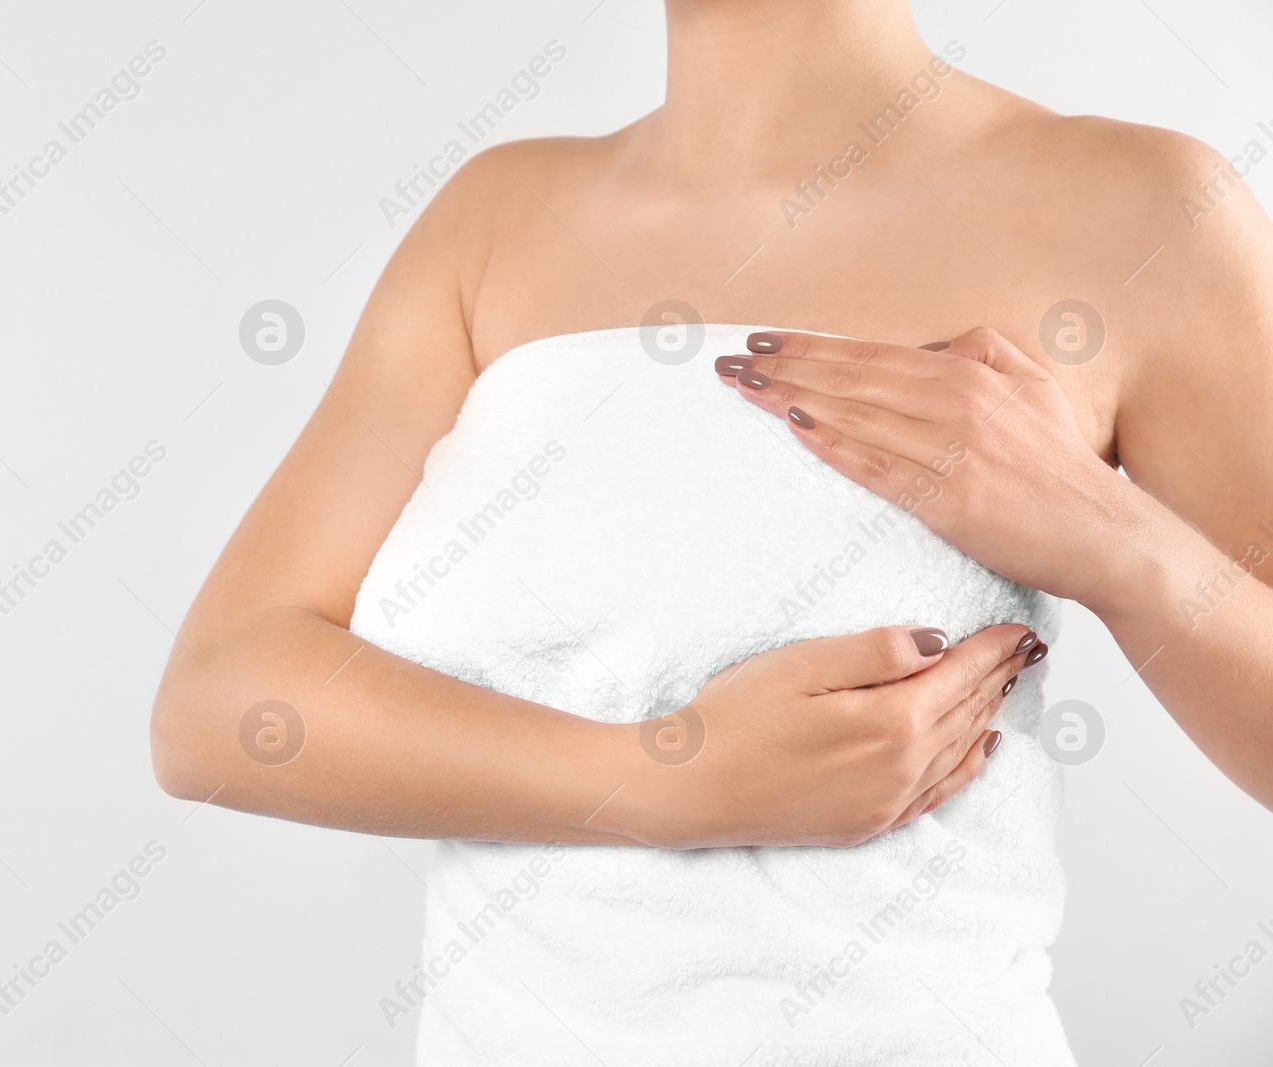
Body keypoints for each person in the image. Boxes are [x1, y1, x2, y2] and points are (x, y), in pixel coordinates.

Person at [150, 1, 1273, 1061]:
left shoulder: (1138, 207)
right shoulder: (495, 217)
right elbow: (218, 700)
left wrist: (1110, 540)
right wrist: (659, 782)